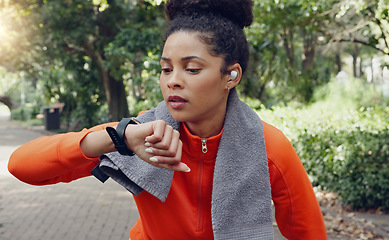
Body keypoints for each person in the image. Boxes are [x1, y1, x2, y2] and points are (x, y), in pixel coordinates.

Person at [8, 0, 327, 239]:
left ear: (231, 75)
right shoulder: (140, 134)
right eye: (165, 69)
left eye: (191, 68)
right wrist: (119, 138)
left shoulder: (268, 148)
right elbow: (22, 166)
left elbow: (308, 233)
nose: (173, 80)